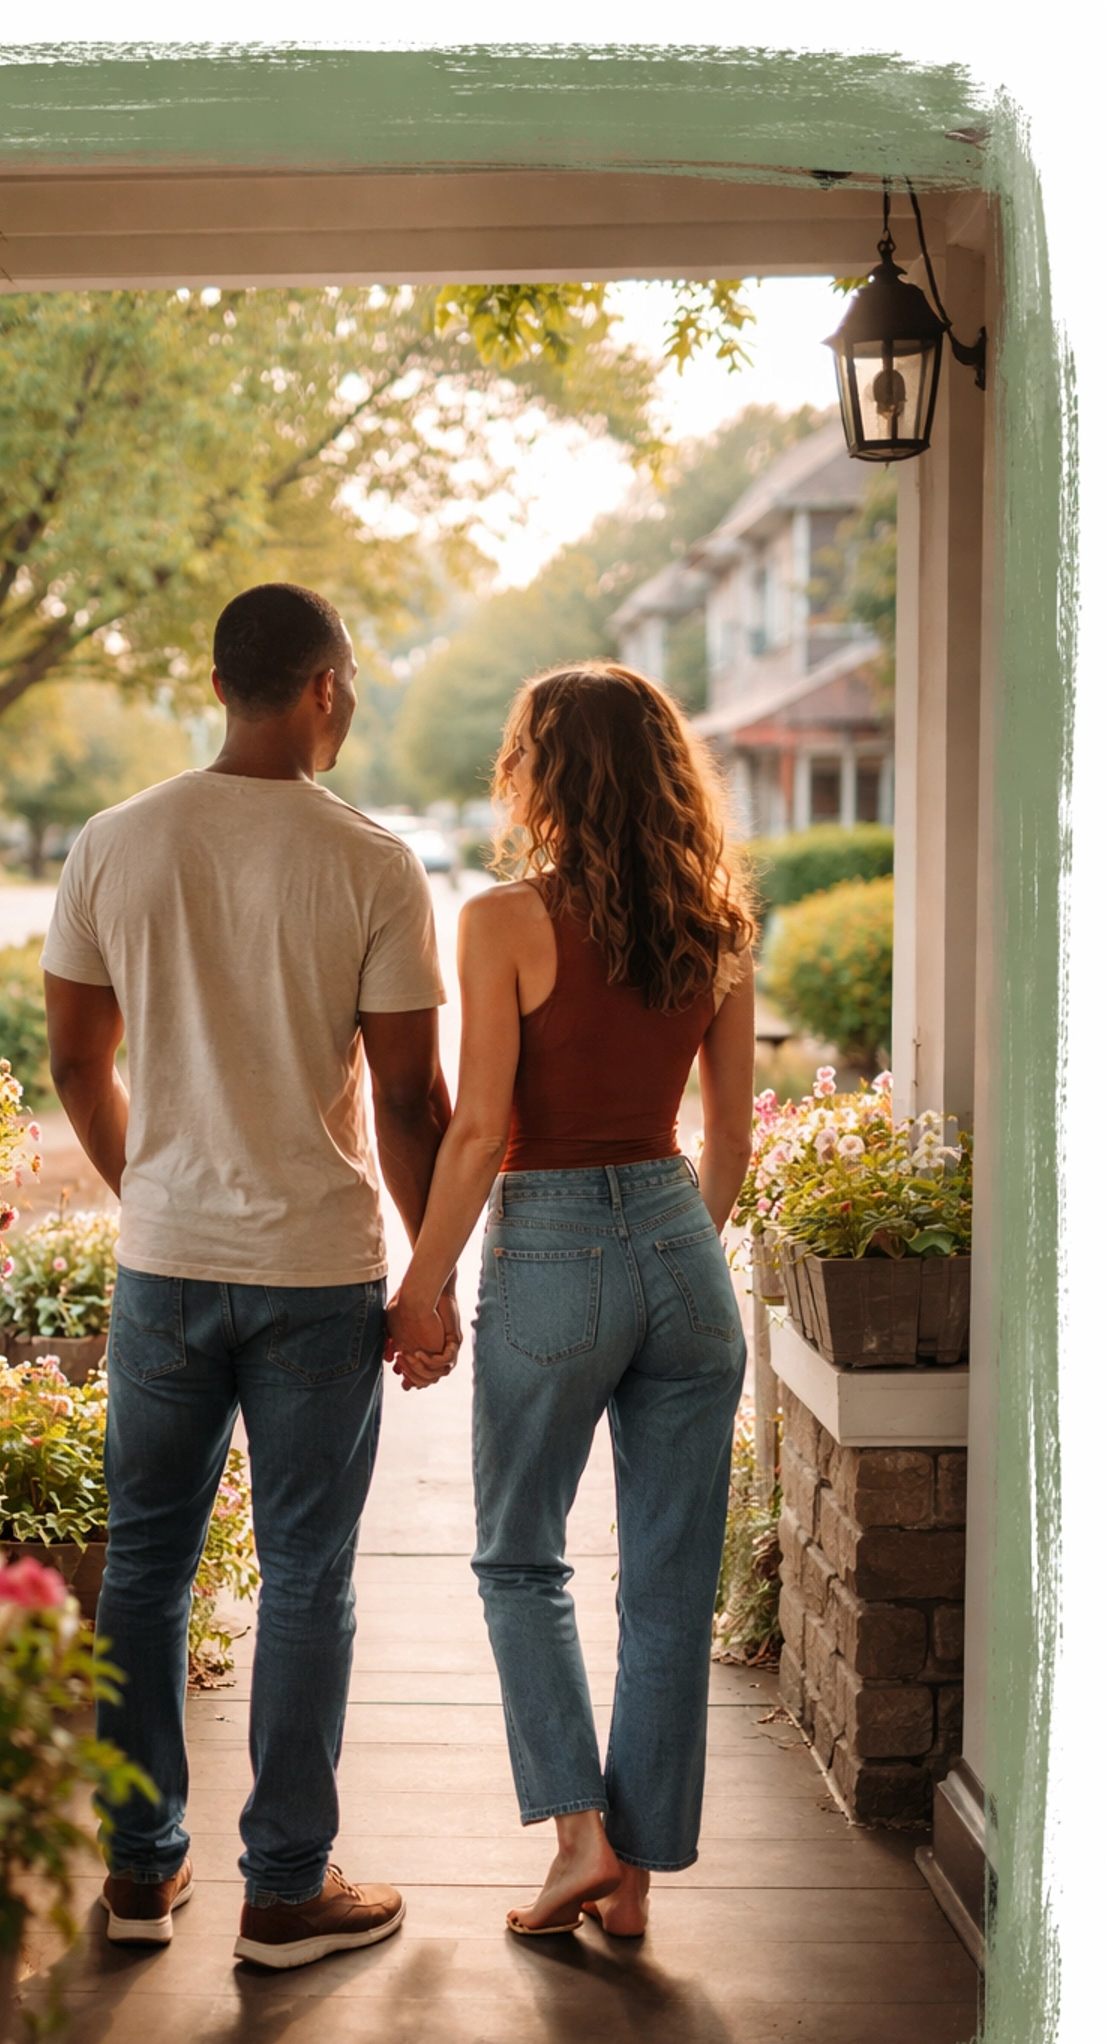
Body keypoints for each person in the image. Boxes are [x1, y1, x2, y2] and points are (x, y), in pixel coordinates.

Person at [41, 582, 458, 1971]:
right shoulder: (371, 863)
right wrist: (434, 1273)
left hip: (164, 1269)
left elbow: (73, 1063)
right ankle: (284, 1892)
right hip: (313, 1278)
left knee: (144, 1576)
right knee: (306, 1579)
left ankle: (139, 1880)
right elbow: (412, 1101)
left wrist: (150, 1193)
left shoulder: (114, 844)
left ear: (224, 682)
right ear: (325, 687)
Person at [385, 661, 755, 1941]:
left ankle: (580, 1840)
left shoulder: (502, 921)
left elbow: (481, 1127)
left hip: (548, 1247)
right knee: (666, 1585)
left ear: (544, 772)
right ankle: (637, 1882)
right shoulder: (719, 919)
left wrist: (418, 1285)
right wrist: (671, 1260)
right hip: (680, 1245)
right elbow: (731, 1141)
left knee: (519, 1557)